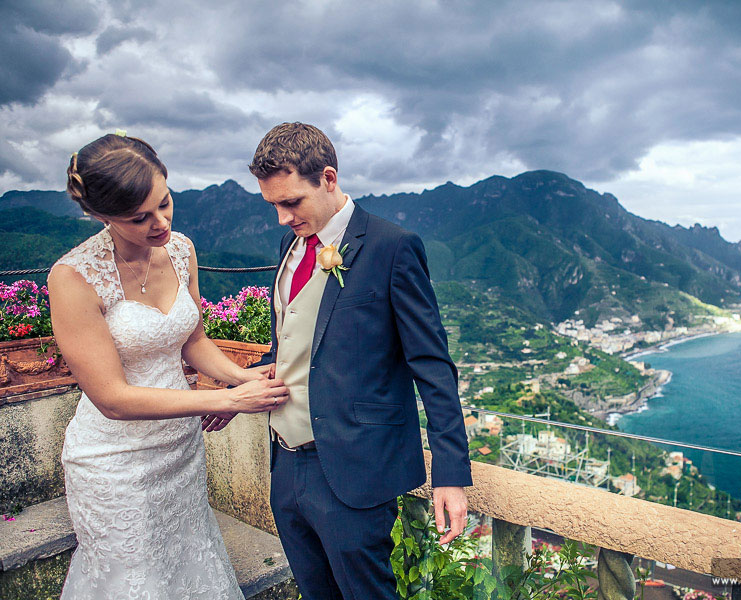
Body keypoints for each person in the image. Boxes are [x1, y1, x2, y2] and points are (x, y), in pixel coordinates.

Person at [49, 132, 290, 599]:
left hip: (180, 450)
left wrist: (242, 375)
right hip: (113, 463)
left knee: (186, 566)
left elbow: (192, 338)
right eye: (139, 217)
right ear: (100, 216)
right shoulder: (73, 277)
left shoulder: (180, 249)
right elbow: (112, 400)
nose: (160, 223)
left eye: (165, 202)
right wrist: (226, 397)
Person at [249, 122, 473, 599]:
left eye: (291, 202)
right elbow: (292, 341)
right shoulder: (289, 245)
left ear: (328, 178)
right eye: (273, 205)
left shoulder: (393, 246)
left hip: (354, 473)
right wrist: (234, 391)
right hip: (285, 467)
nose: (283, 218)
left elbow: (432, 366)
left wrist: (450, 473)